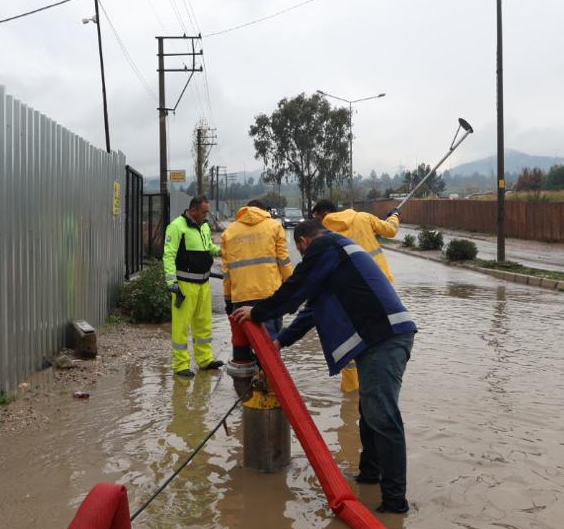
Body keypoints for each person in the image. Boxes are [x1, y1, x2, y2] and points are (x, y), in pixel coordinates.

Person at [230, 219, 417, 513]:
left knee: (383, 416)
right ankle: (370, 475)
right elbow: (311, 311)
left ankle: (395, 503)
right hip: (384, 338)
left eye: (300, 251)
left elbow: (295, 287)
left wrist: (259, 311)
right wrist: (281, 341)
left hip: (385, 339)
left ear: (303, 242)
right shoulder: (336, 254)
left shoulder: (325, 245)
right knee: (370, 412)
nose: (303, 256)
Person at [311, 199, 401, 392]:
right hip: (379, 288)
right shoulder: (363, 217)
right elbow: (391, 230)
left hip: (346, 294)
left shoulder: (321, 233)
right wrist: (394, 215)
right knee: (380, 337)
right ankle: (378, 385)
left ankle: (351, 392)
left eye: (316, 216)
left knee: (349, 340)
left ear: (323, 214)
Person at [220, 199, 292, 364]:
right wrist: (291, 290)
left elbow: (227, 272)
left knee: (242, 346)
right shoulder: (274, 226)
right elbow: (284, 262)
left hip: (241, 297)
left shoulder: (229, 233)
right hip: (270, 297)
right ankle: (268, 385)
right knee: (269, 346)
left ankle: (246, 386)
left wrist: (228, 300)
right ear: (264, 210)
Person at [163, 196, 223, 378]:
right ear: (193, 210)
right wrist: (171, 283)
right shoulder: (177, 226)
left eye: (207, 211)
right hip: (184, 285)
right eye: (204, 212)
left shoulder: (203, 226)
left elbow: (208, 247)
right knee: (181, 327)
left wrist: (219, 250)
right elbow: (168, 255)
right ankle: (180, 365)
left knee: (203, 324)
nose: (207, 215)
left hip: (203, 284)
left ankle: (205, 360)